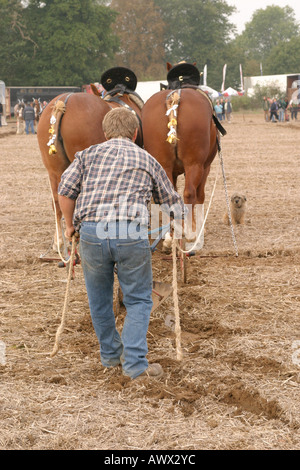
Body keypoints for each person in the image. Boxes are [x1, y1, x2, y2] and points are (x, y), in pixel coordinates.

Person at [57, 107, 185, 380]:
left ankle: (111, 357)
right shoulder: (147, 158)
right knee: (139, 300)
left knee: (99, 299)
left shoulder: (86, 155)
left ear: (105, 132)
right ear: (136, 132)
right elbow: (171, 202)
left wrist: (69, 226)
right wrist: (177, 225)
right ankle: (135, 365)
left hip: (92, 233)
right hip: (130, 233)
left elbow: (65, 191)